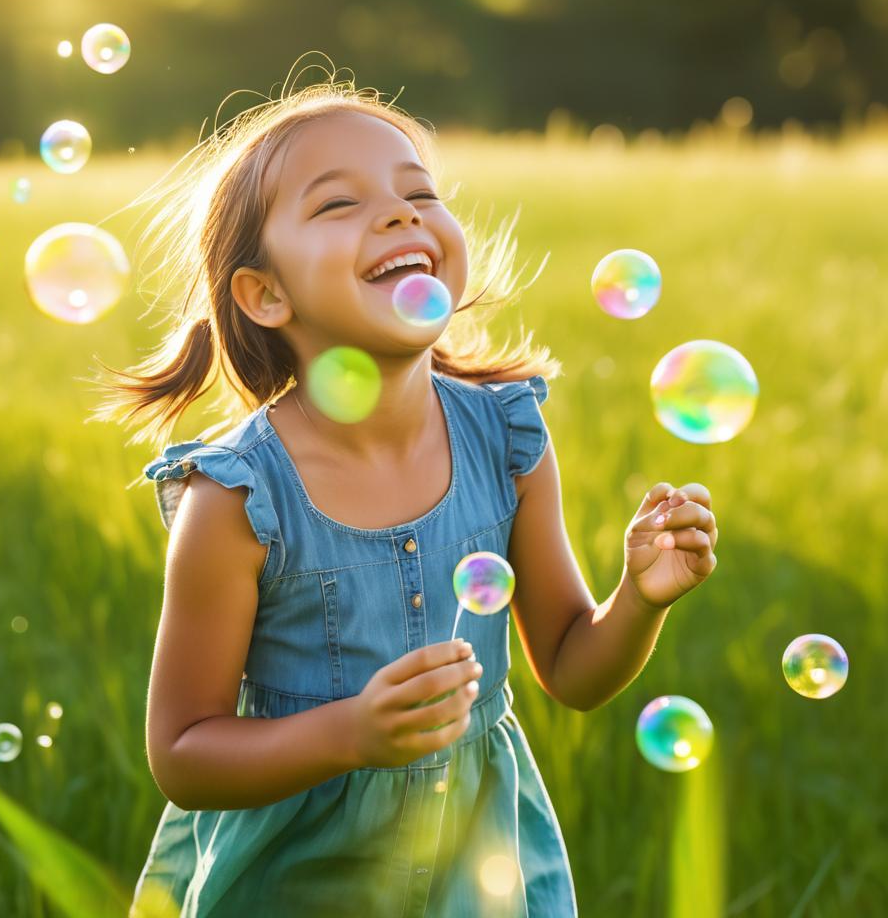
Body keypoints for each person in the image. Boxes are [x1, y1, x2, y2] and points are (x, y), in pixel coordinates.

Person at [92, 60, 719, 918]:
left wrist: (640, 599)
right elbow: (183, 752)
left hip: (481, 869)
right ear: (264, 293)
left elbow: (572, 667)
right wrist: (349, 734)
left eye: (419, 194)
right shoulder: (235, 499)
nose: (399, 212)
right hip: (296, 883)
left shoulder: (510, 440)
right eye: (338, 204)